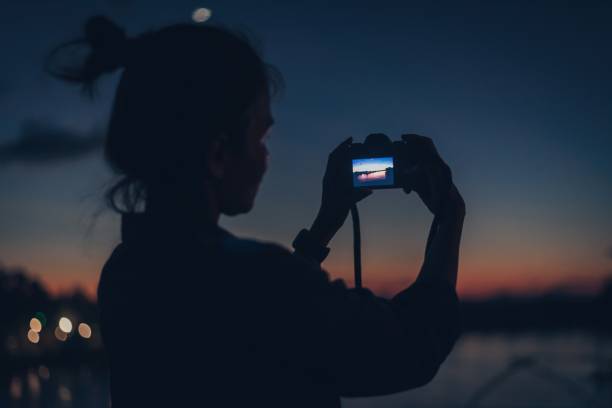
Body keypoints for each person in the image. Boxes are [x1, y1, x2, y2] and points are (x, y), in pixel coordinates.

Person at [47, 15, 466, 408]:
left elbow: (264, 327)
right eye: (261, 136)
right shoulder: (260, 282)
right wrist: (449, 217)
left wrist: (325, 224)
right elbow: (411, 348)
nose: (266, 158)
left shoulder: (126, 273)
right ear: (217, 154)